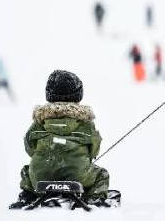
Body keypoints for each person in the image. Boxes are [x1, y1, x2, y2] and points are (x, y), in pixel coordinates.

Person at [9, 70, 110, 208]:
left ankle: (28, 195)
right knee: (102, 174)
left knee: (27, 171)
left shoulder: (40, 121)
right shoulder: (85, 123)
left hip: (40, 176)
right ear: (78, 95)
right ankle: (94, 198)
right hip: (78, 175)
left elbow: (29, 147)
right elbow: (94, 149)